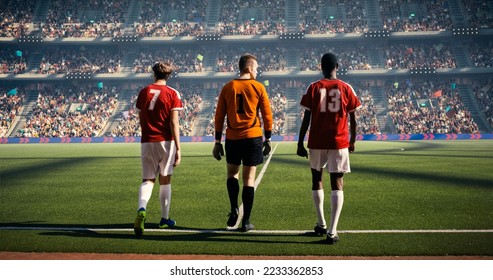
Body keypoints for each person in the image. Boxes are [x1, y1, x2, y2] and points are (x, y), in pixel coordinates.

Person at [297, 52, 361, 244]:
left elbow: (306, 119)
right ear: (337, 66)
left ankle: (321, 223)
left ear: (321, 66)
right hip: (338, 141)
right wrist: (353, 141)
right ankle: (332, 232)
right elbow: (354, 119)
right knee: (337, 183)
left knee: (317, 179)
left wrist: (300, 143)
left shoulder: (314, 87)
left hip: (316, 141)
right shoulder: (346, 88)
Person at [213, 53, 273, 232]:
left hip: (232, 138)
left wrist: (217, 141)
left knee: (232, 175)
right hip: (252, 137)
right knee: (249, 179)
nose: (257, 71)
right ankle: (246, 221)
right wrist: (268, 138)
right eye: (256, 68)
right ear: (248, 68)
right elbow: (267, 115)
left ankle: (233, 208)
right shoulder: (258, 87)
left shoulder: (227, 87)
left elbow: (219, 116)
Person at [133, 61, 183, 236]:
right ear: (169, 76)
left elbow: (140, 118)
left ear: (153, 74)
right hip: (166, 141)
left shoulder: (143, 92)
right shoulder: (172, 93)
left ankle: (142, 209)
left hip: (147, 140)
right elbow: (173, 122)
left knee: (147, 179)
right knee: (165, 179)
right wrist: (178, 148)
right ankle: (164, 219)